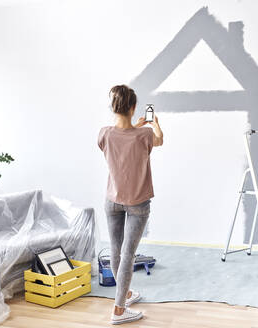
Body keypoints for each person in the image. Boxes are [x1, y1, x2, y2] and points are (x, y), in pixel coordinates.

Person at [98, 85, 163, 324]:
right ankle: (118, 310)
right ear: (133, 107)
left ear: (113, 106)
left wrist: (132, 126)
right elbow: (159, 140)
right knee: (128, 254)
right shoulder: (144, 136)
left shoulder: (104, 134)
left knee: (116, 250)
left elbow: (121, 137)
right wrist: (154, 123)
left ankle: (123, 294)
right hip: (138, 203)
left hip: (112, 201)